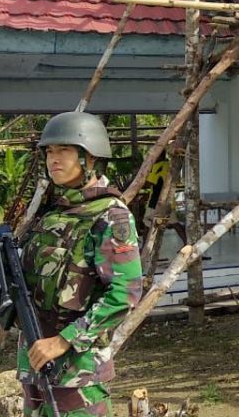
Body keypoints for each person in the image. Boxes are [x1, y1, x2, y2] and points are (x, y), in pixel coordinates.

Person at [17, 111, 142, 417]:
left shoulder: (110, 216)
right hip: (34, 360)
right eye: (49, 151)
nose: (53, 159)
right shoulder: (52, 213)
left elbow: (126, 292)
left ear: (90, 158)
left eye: (64, 150)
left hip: (77, 371)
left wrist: (64, 341)